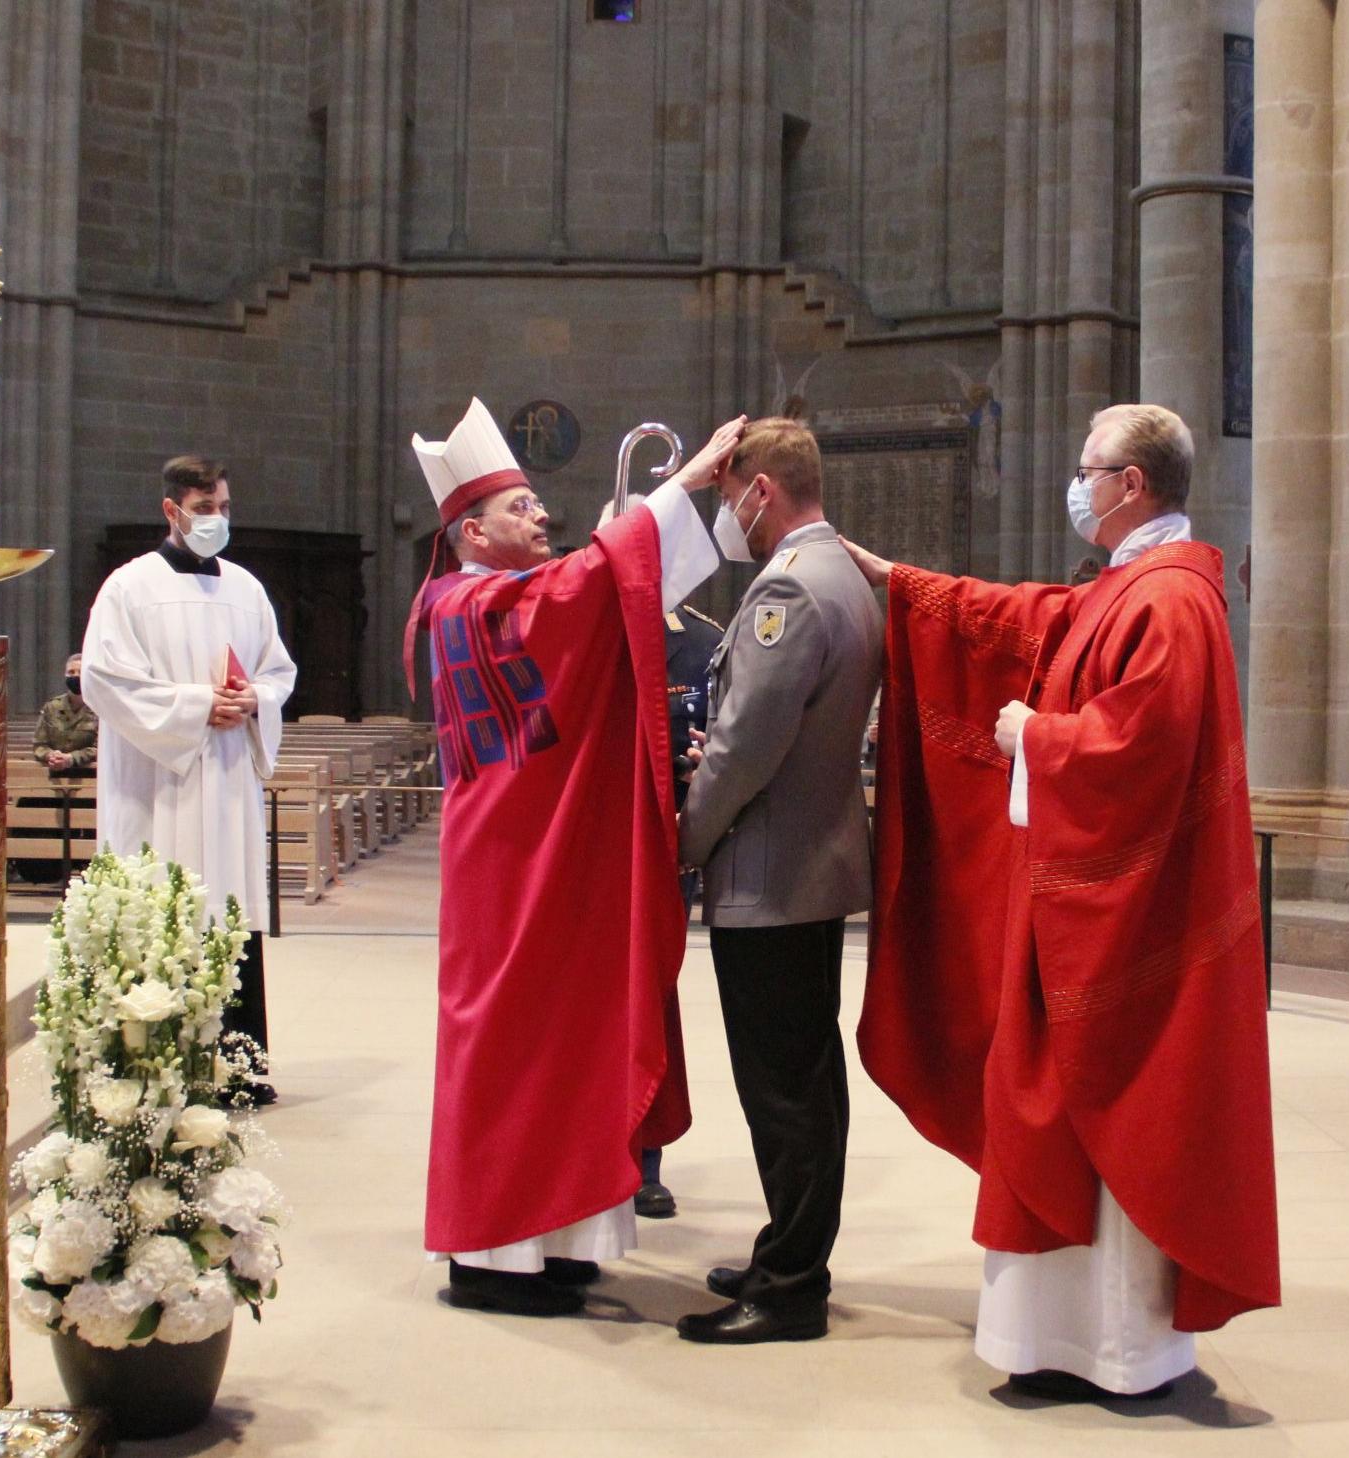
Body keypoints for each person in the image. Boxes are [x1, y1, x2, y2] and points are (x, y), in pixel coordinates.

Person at [842, 403, 1279, 1402]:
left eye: (1089, 468)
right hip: (1084, 905)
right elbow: (1034, 618)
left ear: (1134, 484)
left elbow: (1141, 746)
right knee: (1044, 1105)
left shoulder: (1169, 603)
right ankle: (1057, 1341)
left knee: (1101, 1109)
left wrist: (1034, 737)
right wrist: (903, 583)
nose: (1076, 484)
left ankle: (1116, 1350)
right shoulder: (1129, 585)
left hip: (1127, 929)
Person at [409, 398, 743, 1319]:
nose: (541, 516)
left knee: (560, 1039)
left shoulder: (487, 594)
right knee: (510, 1043)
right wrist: (678, 486)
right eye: (519, 507)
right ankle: (488, 1256)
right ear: (470, 531)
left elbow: (593, 604)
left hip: (537, 857)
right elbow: (583, 596)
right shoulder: (470, 601)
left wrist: (626, 542)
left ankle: (551, 1240)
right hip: (508, 866)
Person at [672, 418, 883, 1344]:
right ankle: (786, 1251)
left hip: (768, 873)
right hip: (810, 862)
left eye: (728, 496)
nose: (729, 515)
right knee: (804, 1077)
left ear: (763, 488)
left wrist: (686, 836)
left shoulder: (788, 588)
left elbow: (746, 748)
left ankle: (790, 1286)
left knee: (784, 1088)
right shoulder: (840, 572)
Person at [81, 455, 300, 1104]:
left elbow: (277, 670)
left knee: (226, 910)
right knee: (160, 906)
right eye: (205, 510)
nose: (217, 520)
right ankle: (151, 1070)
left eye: (225, 508)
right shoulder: (128, 587)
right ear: (171, 511)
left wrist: (254, 699)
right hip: (156, 787)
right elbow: (105, 680)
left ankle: (235, 1067)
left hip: (227, 782)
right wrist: (199, 705)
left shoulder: (245, 588)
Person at [640, 573, 725, 1223]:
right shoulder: (571, 632)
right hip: (587, 844)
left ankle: (644, 1160)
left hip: (665, 849)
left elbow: (727, 738)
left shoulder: (702, 644)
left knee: (652, 999)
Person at [34, 653, 98, 774]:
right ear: (65, 675)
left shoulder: (99, 708)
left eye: (80, 672)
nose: (75, 676)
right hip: (54, 773)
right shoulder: (52, 707)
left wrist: (71, 758)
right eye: (71, 672)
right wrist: (51, 755)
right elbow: (39, 745)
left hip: (89, 774)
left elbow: (100, 748)